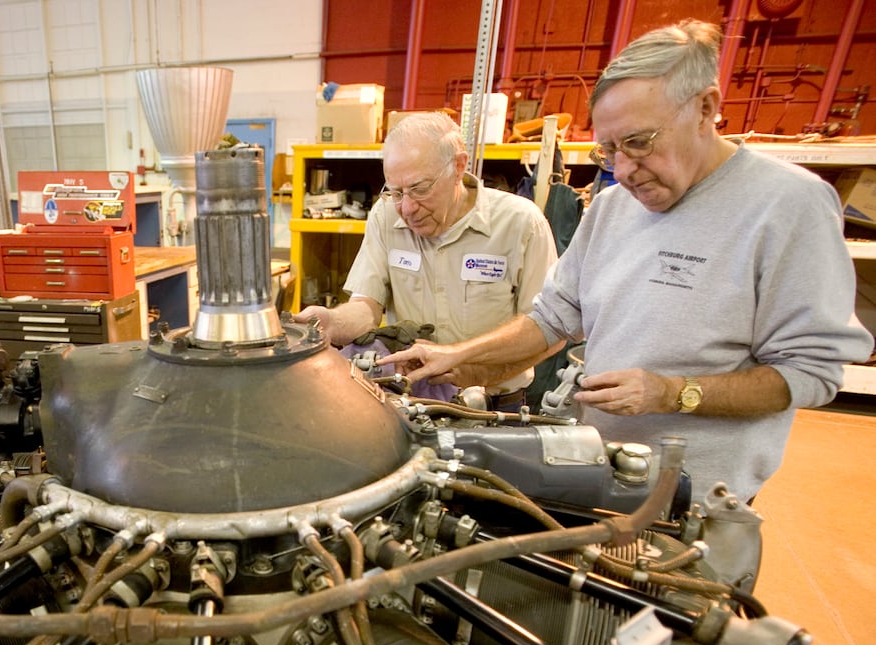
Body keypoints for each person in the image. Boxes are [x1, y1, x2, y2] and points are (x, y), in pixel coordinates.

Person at [380, 19, 874, 503]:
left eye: (639, 143)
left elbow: (812, 372)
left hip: (693, 495)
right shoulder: (615, 206)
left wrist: (673, 393)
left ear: (706, 108)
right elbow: (554, 316)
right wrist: (459, 354)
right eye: (609, 150)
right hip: (599, 468)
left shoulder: (788, 206)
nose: (624, 169)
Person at [296, 111, 558, 406]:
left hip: (497, 406)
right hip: (411, 403)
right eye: (395, 192)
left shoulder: (520, 223)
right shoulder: (384, 216)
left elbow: (548, 329)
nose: (407, 208)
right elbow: (367, 306)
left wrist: (473, 370)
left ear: (459, 166)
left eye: (420, 189)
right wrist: (331, 322)